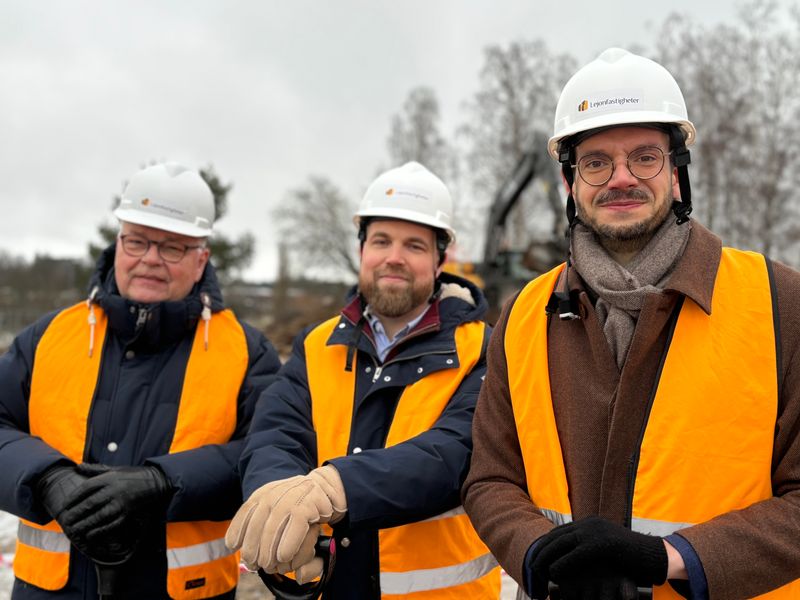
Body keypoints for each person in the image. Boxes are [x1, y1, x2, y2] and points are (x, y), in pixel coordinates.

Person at [462, 47, 800, 600]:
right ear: (571, 182)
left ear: (676, 171)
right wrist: (539, 553)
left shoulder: (779, 301)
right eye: (596, 162)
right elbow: (490, 478)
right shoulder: (525, 312)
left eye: (644, 157)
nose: (620, 179)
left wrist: (670, 559)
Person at [0, 163, 281, 599]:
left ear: (201, 258)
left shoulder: (246, 352)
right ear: (118, 245)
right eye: (137, 241)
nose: (150, 258)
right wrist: (46, 479)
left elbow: (269, 453)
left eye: (172, 247)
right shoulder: (50, 337)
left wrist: (165, 483)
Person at [225, 161, 501, 599]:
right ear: (361, 251)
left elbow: (455, 453)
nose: (394, 257)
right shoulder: (317, 345)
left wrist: (333, 487)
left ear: (439, 260)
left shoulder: (484, 349)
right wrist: (279, 500)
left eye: (414, 245)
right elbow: (277, 433)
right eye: (381, 241)